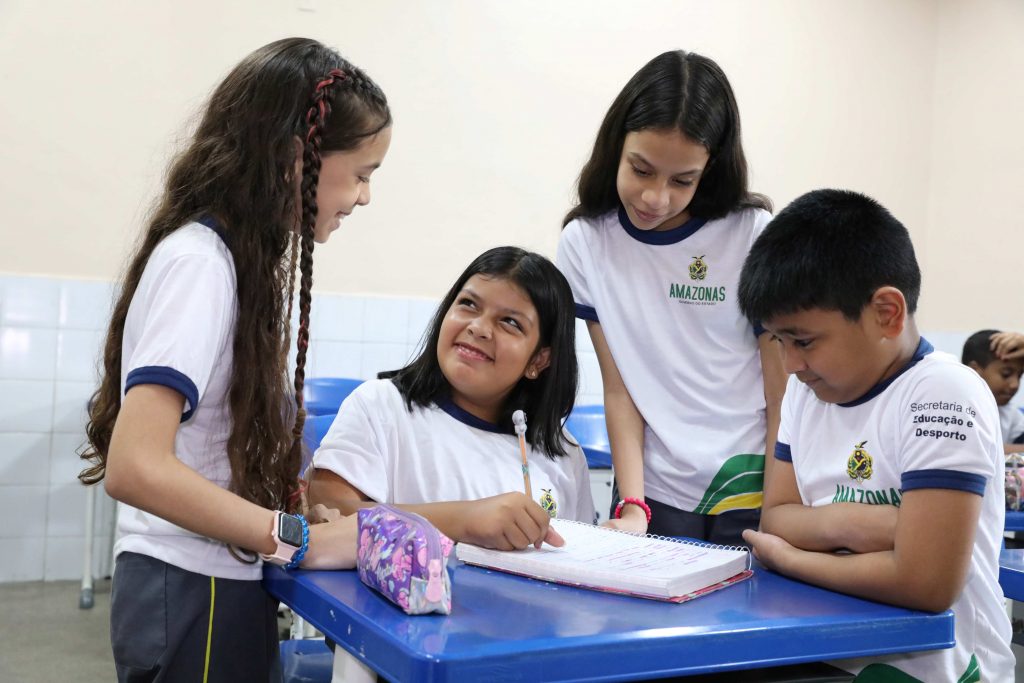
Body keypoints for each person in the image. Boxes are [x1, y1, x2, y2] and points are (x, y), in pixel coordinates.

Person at [77, 38, 391, 682]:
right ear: (295, 158)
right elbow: (134, 467)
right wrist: (294, 537)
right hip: (191, 585)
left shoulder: (232, 262)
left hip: (214, 580)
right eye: (361, 174)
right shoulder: (201, 264)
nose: (363, 199)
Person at [737, 189, 1013, 681]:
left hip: (941, 669)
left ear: (887, 312)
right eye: (778, 341)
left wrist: (791, 559)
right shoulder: (806, 393)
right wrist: (865, 525)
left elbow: (926, 582)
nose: (790, 365)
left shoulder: (943, 392)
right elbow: (775, 517)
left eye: (803, 340)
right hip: (832, 653)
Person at [555, 50, 786, 544]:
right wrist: (633, 503)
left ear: (711, 168)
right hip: (652, 488)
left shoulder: (750, 232)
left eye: (683, 180)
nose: (655, 198)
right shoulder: (586, 242)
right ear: (616, 146)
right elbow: (620, 389)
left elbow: (778, 392)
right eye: (641, 170)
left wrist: (781, 504)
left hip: (749, 484)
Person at [309, 246, 596, 548]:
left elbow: (573, 554)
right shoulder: (380, 406)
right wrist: (464, 520)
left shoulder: (564, 453)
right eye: (469, 304)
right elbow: (328, 513)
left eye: (510, 322)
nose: (479, 328)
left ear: (539, 360)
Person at [963, 329, 1024, 452]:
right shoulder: (951, 409)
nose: (1015, 385)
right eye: (1006, 374)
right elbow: (972, 448)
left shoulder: (1011, 415)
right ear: (974, 371)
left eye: (1019, 376)